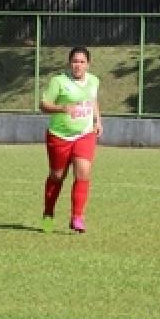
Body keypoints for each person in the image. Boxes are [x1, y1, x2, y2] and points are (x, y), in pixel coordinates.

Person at [39, 46, 102, 234]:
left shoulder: (94, 81)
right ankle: (48, 214)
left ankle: (77, 217)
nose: (78, 65)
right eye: (75, 61)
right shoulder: (58, 82)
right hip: (59, 135)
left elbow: (93, 100)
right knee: (57, 176)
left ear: (88, 64)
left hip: (85, 134)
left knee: (83, 172)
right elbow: (43, 105)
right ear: (69, 63)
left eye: (82, 62)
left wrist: (98, 120)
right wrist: (61, 108)